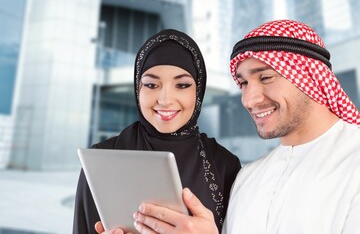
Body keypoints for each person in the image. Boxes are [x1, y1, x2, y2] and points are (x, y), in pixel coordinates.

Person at [103, 19, 360, 234]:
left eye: (266, 77)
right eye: (244, 83)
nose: (248, 100)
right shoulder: (247, 178)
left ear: (310, 77)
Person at [72, 29, 241, 234]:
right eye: (151, 84)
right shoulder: (99, 161)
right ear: (137, 89)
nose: (165, 99)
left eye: (182, 85)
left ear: (198, 91)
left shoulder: (224, 165)